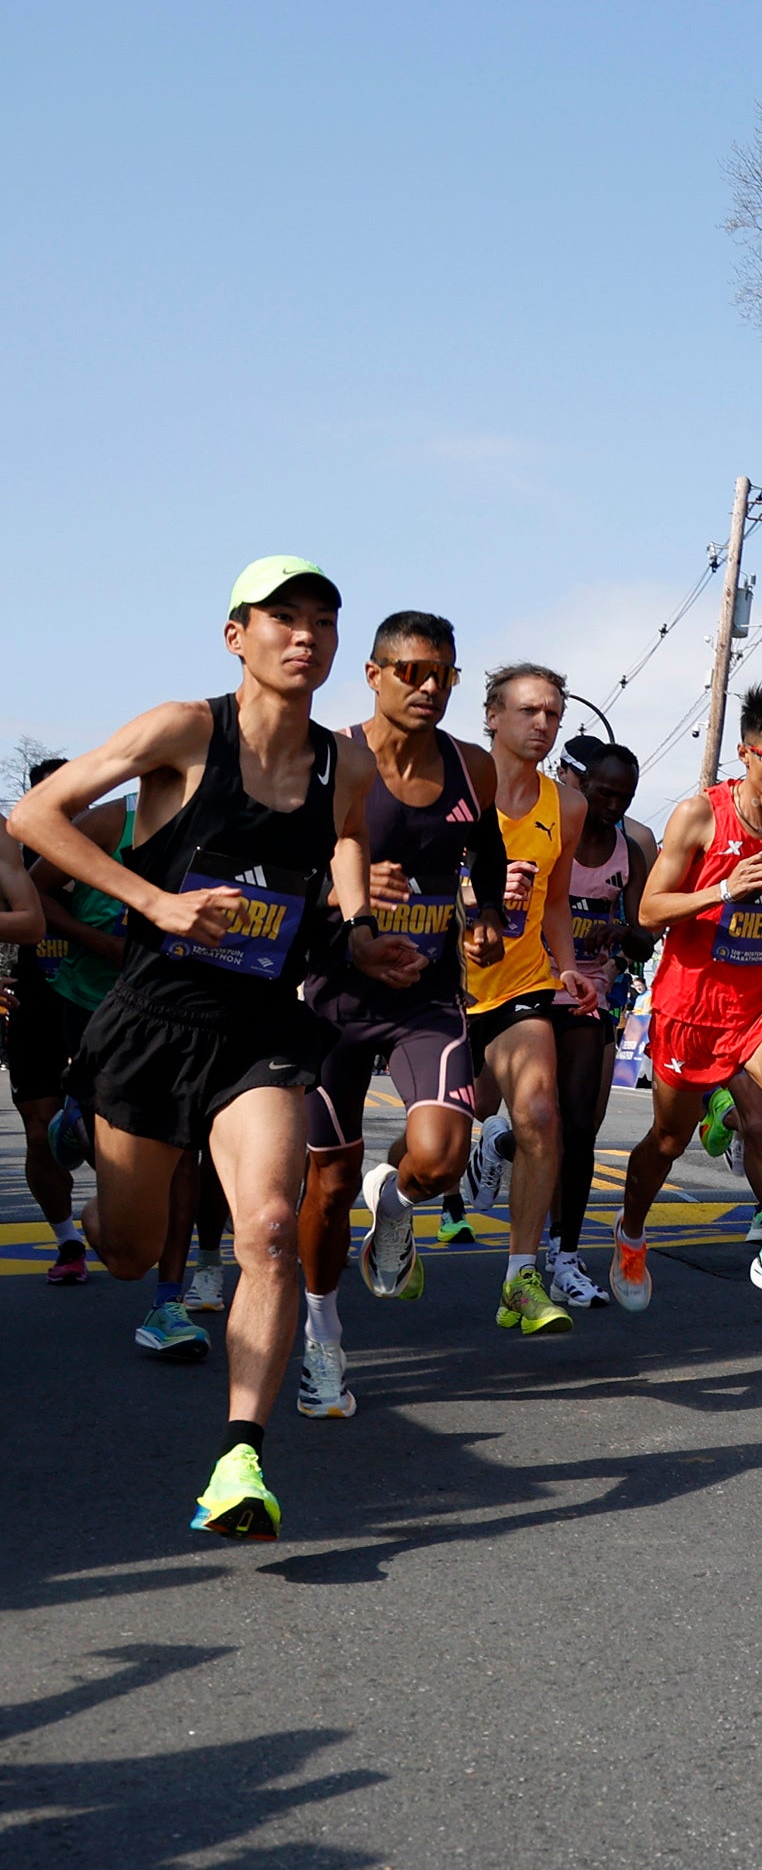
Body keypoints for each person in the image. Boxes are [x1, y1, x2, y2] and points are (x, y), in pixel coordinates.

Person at [10, 557, 408, 1538]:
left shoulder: (343, 763)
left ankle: (240, 1459)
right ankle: (81, 1131)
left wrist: (357, 929)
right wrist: (155, 900)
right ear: (237, 634)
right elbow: (32, 816)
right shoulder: (183, 730)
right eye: (283, 617)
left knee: (267, 1224)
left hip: (261, 1025)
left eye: (321, 619)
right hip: (152, 1019)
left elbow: (347, 837)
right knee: (130, 1247)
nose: (304, 634)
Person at [292, 614, 513, 1419]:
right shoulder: (328, 760)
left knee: (440, 1158)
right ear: (375, 675)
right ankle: (323, 1340)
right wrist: (339, 896)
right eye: (411, 672)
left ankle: (394, 1204)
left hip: (423, 990)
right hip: (330, 1000)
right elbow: (277, 875)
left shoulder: (474, 767)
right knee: (325, 1184)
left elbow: (481, 853)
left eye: (442, 676)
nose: (428, 689)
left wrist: (484, 912)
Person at [607, 684, 762, 1315]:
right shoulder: (700, 816)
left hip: (761, 1003)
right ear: (746, 754)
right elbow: (650, 909)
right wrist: (718, 892)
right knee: (668, 1138)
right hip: (692, 1007)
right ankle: (630, 1231)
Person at [458, 665, 600, 1338]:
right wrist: (474, 897)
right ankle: (394, 1199)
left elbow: (559, 899)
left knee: (540, 1115)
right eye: (528, 712)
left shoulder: (565, 806)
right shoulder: (450, 790)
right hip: (444, 986)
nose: (542, 725)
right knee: (444, 1142)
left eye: (552, 714)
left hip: (521, 984)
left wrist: (568, 969)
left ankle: (520, 1277)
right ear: (491, 715)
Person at [548, 738, 652, 1295]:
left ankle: (564, 1255)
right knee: (540, 1125)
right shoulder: (552, 836)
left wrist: (625, 935)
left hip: (590, 996)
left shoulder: (626, 853)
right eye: (605, 792)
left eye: (625, 797)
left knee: (581, 1127)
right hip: (532, 989)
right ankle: (495, 1150)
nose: (615, 805)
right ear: (577, 783)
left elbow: (643, 937)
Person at [6, 758, 89, 1283]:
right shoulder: (12, 853)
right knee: (39, 1132)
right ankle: (68, 1243)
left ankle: (131, 1225)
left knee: (108, 1136)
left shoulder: (110, 847)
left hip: (100, 1003)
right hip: (36, 1004)